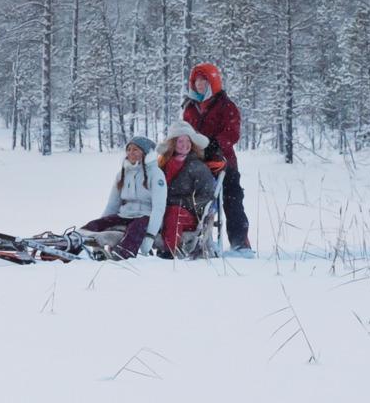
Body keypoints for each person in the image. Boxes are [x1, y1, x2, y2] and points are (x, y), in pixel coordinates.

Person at [180, 62, 251, 252]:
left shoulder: (226, 105)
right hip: (196, 162)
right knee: (191, 198)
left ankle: (240, 242)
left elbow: (233, 132)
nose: (200, 85)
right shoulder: (190, 107)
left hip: (224, 161)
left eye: (204, 81)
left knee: (233, 199)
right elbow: (185, 130)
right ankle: (189, 237)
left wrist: (215, 143)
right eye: (197, 82)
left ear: (213, 82)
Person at [83, 136, 165, 259]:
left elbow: (159, 208)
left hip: (146, 216)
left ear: (146, 153)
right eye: (129, 149)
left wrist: (150, 236)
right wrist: (102, 224)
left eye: (135, 150)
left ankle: (123, 254)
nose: (130, 153)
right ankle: (68, 244)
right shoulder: (122, 174)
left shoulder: (156, 174)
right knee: (93, 225)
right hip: (125, 215)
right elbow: (112, 205)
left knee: (136, 227)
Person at [157, 129, 216, 257]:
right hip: (161, 210)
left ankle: (169, 251)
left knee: (174, 213)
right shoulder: (162, 165)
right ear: (173, 144)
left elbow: (206, 195)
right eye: (180, 141)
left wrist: (187, 206)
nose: (185, 144)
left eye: (188, 140)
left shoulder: (198, 166)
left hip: (189, 213)